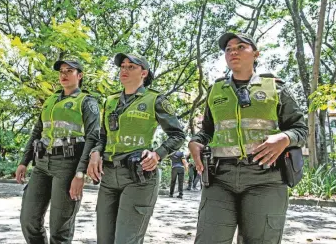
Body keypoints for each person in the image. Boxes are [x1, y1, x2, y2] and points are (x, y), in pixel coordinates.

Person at [189, 32, 308, 244]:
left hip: (266, 178)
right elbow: (207, 131)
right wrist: (195, 142)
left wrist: (284, 139)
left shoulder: (276, 87)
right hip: (219, 178)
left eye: (240, 47)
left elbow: (300, 128)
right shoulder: (216, 90)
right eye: (228, 49)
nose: (233, 51)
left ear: (256, 54)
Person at [87, 53, 186, 244]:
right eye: (122, 66)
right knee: (104, 239)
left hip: (138, 176)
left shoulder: (155, 99)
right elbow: (103, 136)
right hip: (108, 176)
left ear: (144, 73)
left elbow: (178, 135)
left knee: (126, 240)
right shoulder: (110, 101)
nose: (124, 70)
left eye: (131, 67)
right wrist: (95, 152)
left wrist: (157, 154)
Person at [15, 59, 100, 244]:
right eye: (61, 71)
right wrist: (24, 161)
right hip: (42, 164)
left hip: (68, 166)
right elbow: (37, 132)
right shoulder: (51, 100)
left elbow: (93, 138)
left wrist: (80, 173)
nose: (64, 74)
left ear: (80, 75)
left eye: (69, 70)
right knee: (28, 219)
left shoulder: (87, 101)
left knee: (60, 228)